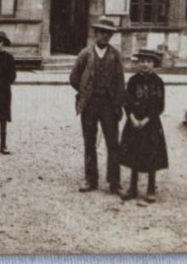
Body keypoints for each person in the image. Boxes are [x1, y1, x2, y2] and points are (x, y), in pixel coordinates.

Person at [69, 16, 125, 194]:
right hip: (90, 105)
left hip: (109, 105)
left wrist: (118, 105)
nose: (105, 36)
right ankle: (90, 179)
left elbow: (120, 81)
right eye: (102, 33)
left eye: (109, 34)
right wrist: (85, 91)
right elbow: (74, 78)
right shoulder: (85, 54)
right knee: (89, 142)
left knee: (113, 143)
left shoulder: (115, 55)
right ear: (95, 34)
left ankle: (114, 182)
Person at [119, 48, 169, 202]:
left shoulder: (158, 82)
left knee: (151, 154)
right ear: (138, 63)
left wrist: (147, 119)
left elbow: (159, 105)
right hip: (134, 122)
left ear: (153, 63)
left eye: (148, 61)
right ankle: (133, 188)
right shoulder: (133, 80)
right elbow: (127, 101)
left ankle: (150, 188)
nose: (145, 65)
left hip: (151, 123)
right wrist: (132, 118)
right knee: (134, 152)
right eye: (142, 61)